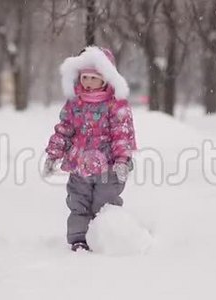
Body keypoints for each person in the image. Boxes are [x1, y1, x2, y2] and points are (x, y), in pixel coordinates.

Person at [43, 46, 137, 252]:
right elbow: (64, 130)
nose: (88, 82)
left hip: (108, 168)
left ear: (105, 79)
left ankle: (104, 237)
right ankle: (79, 239)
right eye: (84, 77)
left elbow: (122, 134)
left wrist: (122, 160)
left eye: (93, 78)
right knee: (78, 203)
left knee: (104, 205)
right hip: (80, 166)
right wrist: (53, 154)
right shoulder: (74, 103)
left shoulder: (115, 105)